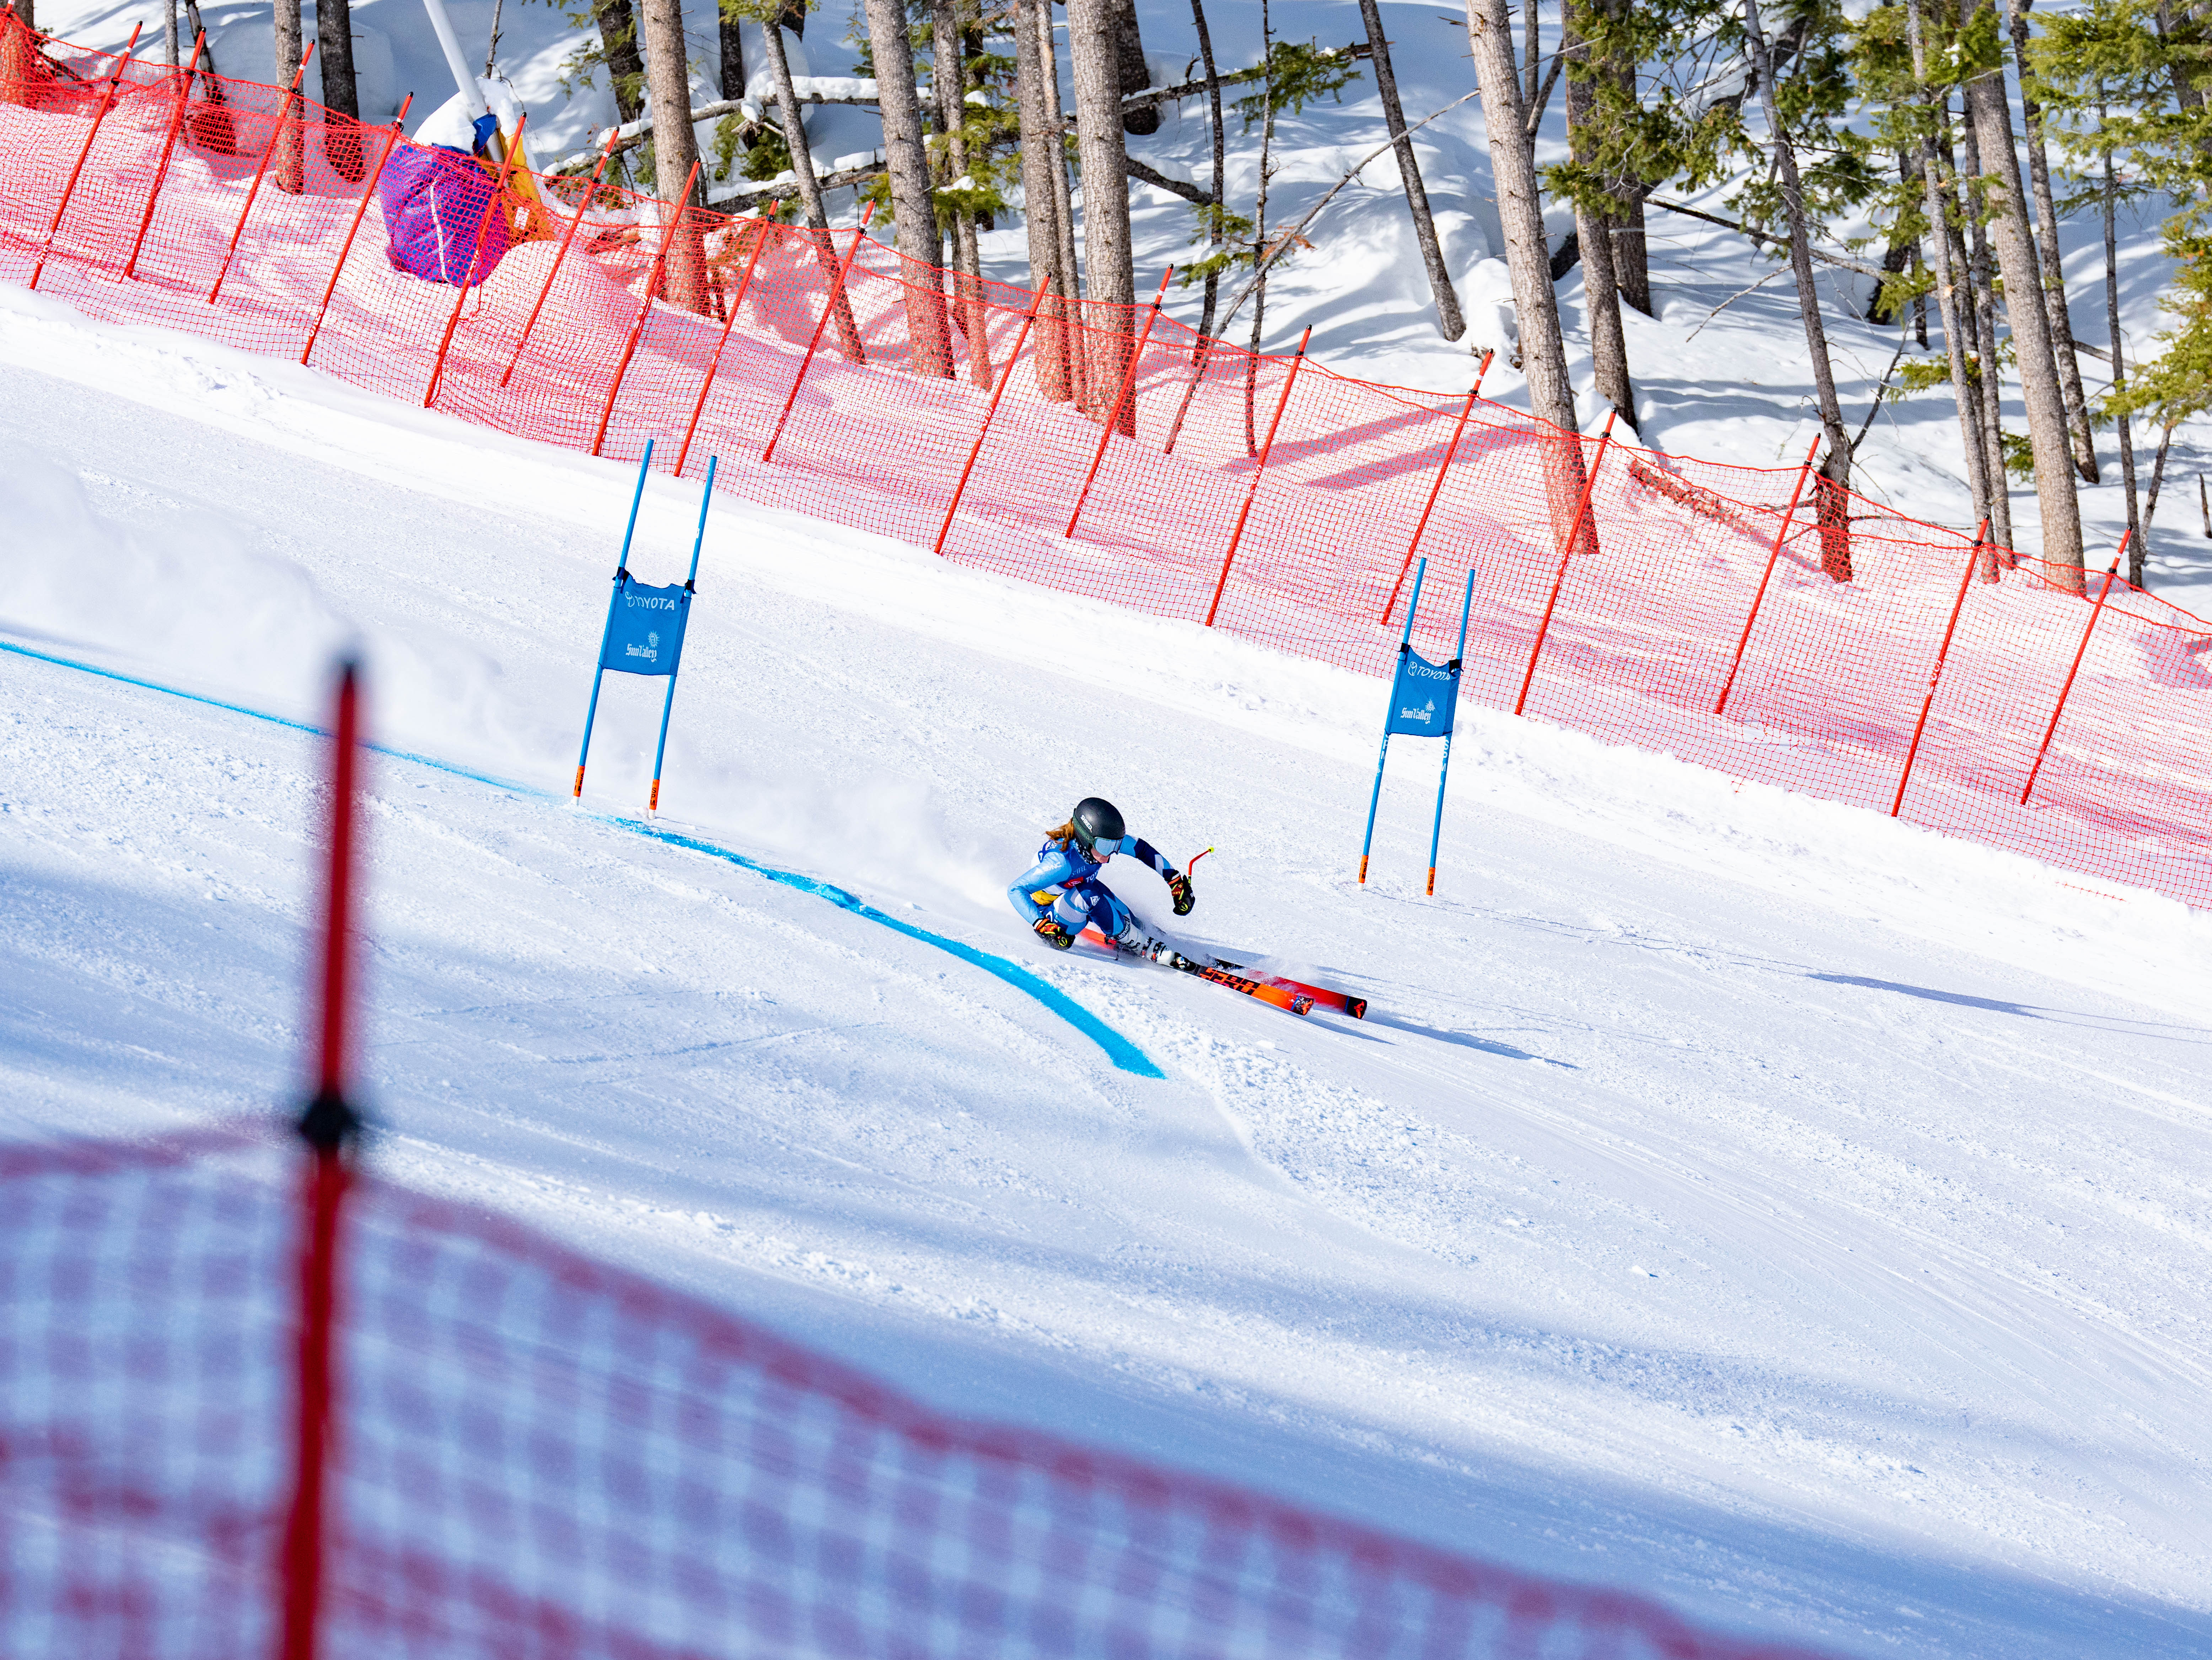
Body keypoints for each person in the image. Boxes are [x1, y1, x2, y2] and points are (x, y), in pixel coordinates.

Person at [1009, 797, 1194, 955]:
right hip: (1051, 917)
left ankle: (1139, 934)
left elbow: (1141, 849)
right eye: (1106, 847)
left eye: (1116, 847)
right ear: (1085, 838)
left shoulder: (1099, 843)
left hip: (1073, 895)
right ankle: (1138, 942)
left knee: (1116, 907)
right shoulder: (1061, 864)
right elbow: (1016, 890)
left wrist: (1175, 881)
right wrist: (1041, 925)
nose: (1110, 855)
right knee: (1090, 896)